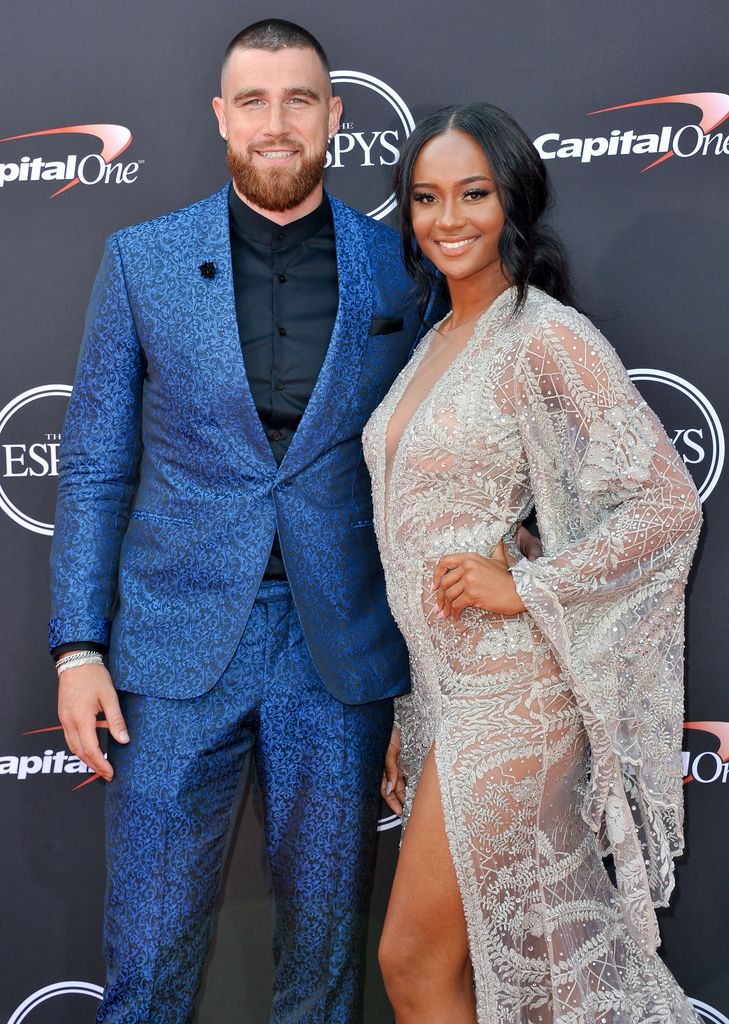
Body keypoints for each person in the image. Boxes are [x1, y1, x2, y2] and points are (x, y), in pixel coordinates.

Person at [48, 19, 445, 1024]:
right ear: (222, 116)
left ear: (334, 117)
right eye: (255, 101)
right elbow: (95, 461)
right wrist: (77, 648)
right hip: (174, 656)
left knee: (321, 972)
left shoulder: (399, 267)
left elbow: (432, 467)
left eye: (299, 100)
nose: (278, 124)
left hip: (337, 658)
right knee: (147, 964)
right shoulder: (141, 259)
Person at [367, 103, 703, 1024]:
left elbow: (664, 502)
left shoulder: (541, 333)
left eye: (472, 194)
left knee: (413, 960)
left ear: (512, 198)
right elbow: (419, 536)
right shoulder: (435, 339)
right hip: (447, 692)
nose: (448, 219)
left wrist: (528, 584)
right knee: (541, 972)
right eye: (426, 198)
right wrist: (411, 708)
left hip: (517, 695)